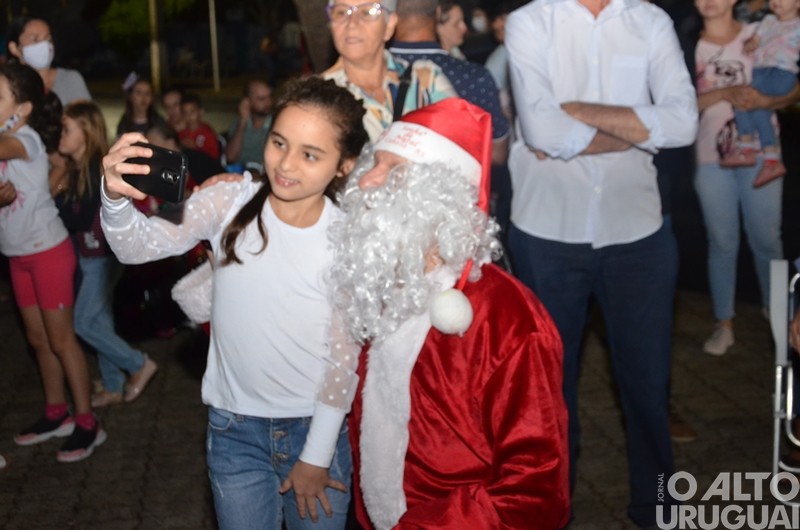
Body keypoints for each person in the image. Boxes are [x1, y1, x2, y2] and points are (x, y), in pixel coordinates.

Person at [100, 76, 369, 530]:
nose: (286, 164)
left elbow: (344, 361)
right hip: (234, 432)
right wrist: (114, 197)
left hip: (314, 431)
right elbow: (135, 247)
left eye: (310, 154)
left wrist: (317, 456)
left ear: (344, 165)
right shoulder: (230, 200)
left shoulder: (348, 238)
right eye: (279, 142)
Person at [328, 98, 570, 530]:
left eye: (394, 171)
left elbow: (535, 491)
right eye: (373, 165)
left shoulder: (507, 320)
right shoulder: (372, 284)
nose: (367, 183)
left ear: (439, 200)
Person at [505, 1, 698, 527]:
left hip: (637, 232)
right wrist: (637, 128)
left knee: (648, 388)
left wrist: (576, 112)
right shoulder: (530, 21)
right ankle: (553, 509)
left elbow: (684, 123)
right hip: (547, 232)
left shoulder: (651, 21)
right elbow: (541, 131)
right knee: (550, 395)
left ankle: (656, 508)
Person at [0, 64, 104, 463]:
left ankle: (88, 422)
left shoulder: (23, 139)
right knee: (39, 340)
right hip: (17, 255)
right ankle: (56, 412)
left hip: (48, 253)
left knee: (62, 341)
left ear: (22, 108)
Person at [694, 0, 789, 356]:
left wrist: (765, 99)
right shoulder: (688, 45)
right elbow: (677, 105)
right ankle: (724, 323)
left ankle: (780, 318)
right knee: (722, 242)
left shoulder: (760, 34)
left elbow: (791, 88)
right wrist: (722, 93)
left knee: (767, 240)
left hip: (762, 157)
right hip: (709, 157)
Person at [56, 100, 158, 408]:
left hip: (103, 256)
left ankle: (139, 364)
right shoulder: (75, 168)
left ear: (85, 132)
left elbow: (77, 217)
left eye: (66, 128)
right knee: (101, 322)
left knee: (83, 323)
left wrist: (57, 199)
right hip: (90, 256)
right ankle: (113, 384)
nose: (59, 134)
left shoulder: (94, 169)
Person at [323, 0, 456, 141]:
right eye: (341, 12)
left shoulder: (425, 80)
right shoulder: (319, 97)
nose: (351, 24)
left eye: (367, 12)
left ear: (390, 25)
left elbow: (465, 141)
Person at [720, 0, 800, 187]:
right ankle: (771, 159)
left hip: (781, 73)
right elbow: (756, 40)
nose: (776, 2)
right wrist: (751, 44)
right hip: (761, 71)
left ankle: (746, 148)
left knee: (742, 99)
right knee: (758, 110)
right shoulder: (768, 21)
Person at [6, 16, 91, 105]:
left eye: (48, 39)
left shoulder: (69, 80)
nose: (44, 45)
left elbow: (84, 116)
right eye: (35, 39)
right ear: (14, 48)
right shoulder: (6, 85)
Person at [146, 122, 225, 187]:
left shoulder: (195, 160)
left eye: (154, 146)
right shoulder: (159, 168)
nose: (151, 152)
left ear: (170, 143)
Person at [225, 79, 273, 174]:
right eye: (261, 99)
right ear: (247, 101)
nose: (268, 103)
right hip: (240, 175)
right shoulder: (239, 123)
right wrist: (243, 121)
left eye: (269, 97)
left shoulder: (276, 123)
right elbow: (231, 157)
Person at [178, 93, 221, 161]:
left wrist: (196, 148)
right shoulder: (181, 133)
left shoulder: (207, 133)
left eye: (192, 111)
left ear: (201, 112)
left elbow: (214, 157)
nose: (189, 116)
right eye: (185, 113)